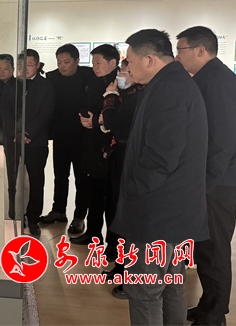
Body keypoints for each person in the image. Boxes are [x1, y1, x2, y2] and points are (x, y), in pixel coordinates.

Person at [111, 29, 209, 325]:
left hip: (158, 215)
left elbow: (161, 157)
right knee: (170, 287)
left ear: (150, 59)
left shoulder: (169, 90)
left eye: (130, 61)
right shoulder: (172, 83)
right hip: (173, 213)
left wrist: (133, 190)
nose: (127, 68)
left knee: (144, 292)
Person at [175, 26, 236, 326]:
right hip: (214, 180)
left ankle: (215, 316)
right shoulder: (209, 78)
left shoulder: (217, 81)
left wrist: (206, 185)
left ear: (200, 50)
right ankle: (207, 307)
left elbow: (221, 140)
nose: (178, 56)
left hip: (219, 183)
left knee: (214, 250)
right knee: (205, 248)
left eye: (181, 49)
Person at [98, 59, 144, 299]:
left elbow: (112, 122)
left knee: (125, 213)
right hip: (120, 155)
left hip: (129, 157)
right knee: (115, 208)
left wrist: (110, 96)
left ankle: (128, 272)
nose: (122, 75)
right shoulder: (129, 94)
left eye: (125, 70)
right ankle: (120, 265)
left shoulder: (138, 95)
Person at [40, 44, 96, 238]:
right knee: (60, 174)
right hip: (61, 135)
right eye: (59, 62)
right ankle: (58, 210)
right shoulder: (52, 78)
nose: (62, 66)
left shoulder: (88, 76)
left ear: (77, 61)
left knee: (82, 178)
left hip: (82, 136)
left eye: (66, 62)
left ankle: (79, 216)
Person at [71, 44, 119, 245]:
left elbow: (114, 117)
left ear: (113, 62)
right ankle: (93, 233)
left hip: (109, 150)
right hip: (91, 145)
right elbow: (84, 103)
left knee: (110, 198)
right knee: (94, 193)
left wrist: (96, 121)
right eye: (93, 63)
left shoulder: (118, 84)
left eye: (98, 63)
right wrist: (85, 117)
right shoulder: (93, 81)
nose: (95, 67)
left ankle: (113, 243)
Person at [3, 50, 54, 235]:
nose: (24, 69)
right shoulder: (11, 85)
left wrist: (27, 132)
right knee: (11, 178)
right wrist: (15, 133)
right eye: (21, 65)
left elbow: (46, 113)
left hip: (36, 141)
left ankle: (33, 218)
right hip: (13, 140)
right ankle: (13, 214)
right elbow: (5, 111)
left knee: (36, 181)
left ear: (38, 65)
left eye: (29, 65)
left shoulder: (46, 86)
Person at [0, 54, 18, 218]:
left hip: (13, 133)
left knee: (12, 172)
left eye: (6, 68)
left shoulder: (18, 86)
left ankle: (13, 206)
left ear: (12, 69)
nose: (2, 71)